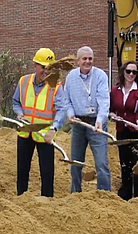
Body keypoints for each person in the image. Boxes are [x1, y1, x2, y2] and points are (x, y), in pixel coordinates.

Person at [12, 47, 66, 197]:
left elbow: (61, 110)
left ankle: (47, 201)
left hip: (45, 135)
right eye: (43, 67)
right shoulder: (24, 81)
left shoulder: (56, 86)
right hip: (26, 132)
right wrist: (19, 113)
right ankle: (21, 198)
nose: (46, 71)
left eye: (50, 68)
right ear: (35, 65)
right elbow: (16, 102)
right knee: (22, 169)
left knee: (47, 172)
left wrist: (53, 129)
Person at [63, 46, 111, 192]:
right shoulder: (71, 77)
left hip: (96, 123)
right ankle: (75, 193)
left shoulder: (101, 76)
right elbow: (66, 100)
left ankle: (104, 193)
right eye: (84, 58)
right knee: (76, 162)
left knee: (101, 163)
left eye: (90, 59)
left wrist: (100, 120)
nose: (88, 61)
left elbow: (104, 100)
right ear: (78, 61)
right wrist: (70, 114)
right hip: (78, 123)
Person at [108, 60, 138, 200]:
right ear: (123, 72)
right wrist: (112, 115)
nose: (131, 74)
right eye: (128, 71)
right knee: (125, 162)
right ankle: (125, 193)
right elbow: (112, 108)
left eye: (134, 72)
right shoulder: (115, 90)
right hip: (122, 132)